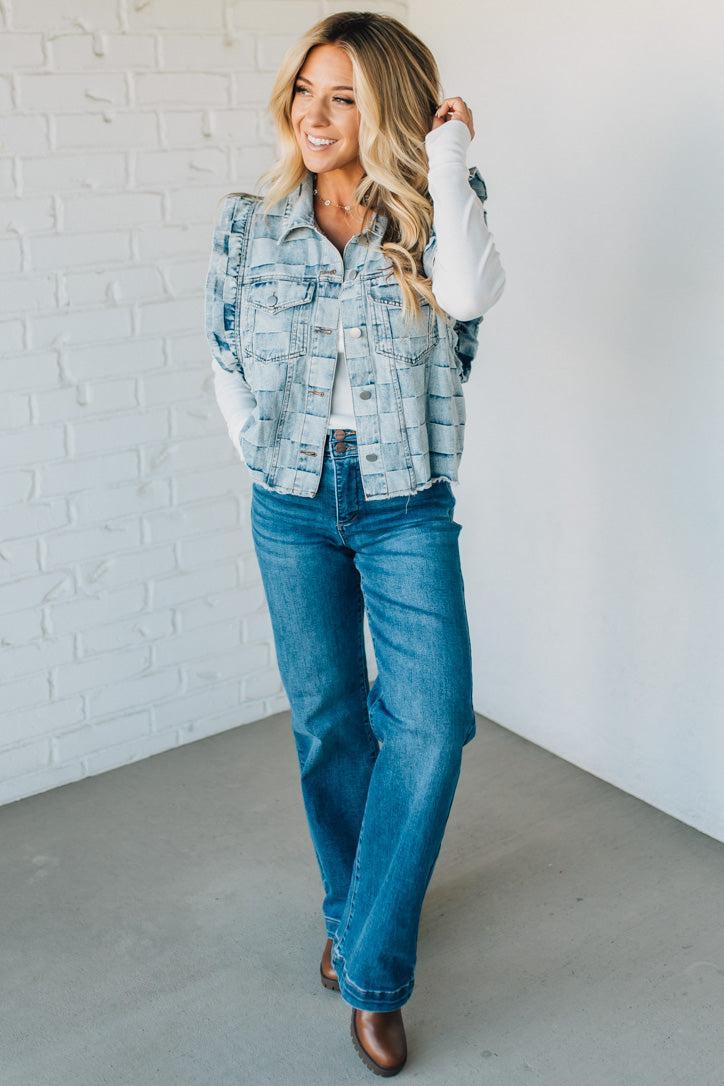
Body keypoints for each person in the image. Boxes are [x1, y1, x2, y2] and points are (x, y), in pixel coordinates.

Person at [204, 11, 506, 1076]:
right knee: (330, 719)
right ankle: (350, 915)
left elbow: (468, 297)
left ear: (386, 106)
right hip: (290, 498)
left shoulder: (433, 215)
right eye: (305, 91)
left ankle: (372, 971)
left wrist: (452, 156)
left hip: (402, 502)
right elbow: (224, 353)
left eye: (344, 96)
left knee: (429, 724)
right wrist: (257, 449)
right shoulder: (251, 222)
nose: (317, 115)